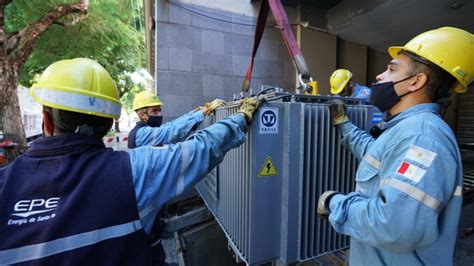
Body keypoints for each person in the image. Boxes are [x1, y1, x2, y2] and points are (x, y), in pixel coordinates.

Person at [0, 58, 262, 265]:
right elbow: (192, 145)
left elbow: (180, 136)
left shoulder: (5, 183)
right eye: (154, 110)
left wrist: (200, 113)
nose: (159, 114)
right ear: (108, 123)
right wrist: (237, 117)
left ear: (46, 120)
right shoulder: (133, 169)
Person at [317, 27, 472, 265]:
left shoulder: (422, 137)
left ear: (416, 82)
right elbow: (375, 154)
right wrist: (343, 123)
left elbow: (394, 226)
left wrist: (335, 203)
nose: (379, 76)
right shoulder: (406, 129)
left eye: (391, 69)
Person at [127, 90, 226, 149]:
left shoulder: (148, 129)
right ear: (143, 115)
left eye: (159, 110)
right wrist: (205, 110)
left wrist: (196, 112)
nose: (160, 114)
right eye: (155, 111)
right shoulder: (141, 134)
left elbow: (171, 125)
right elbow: (171, 131)